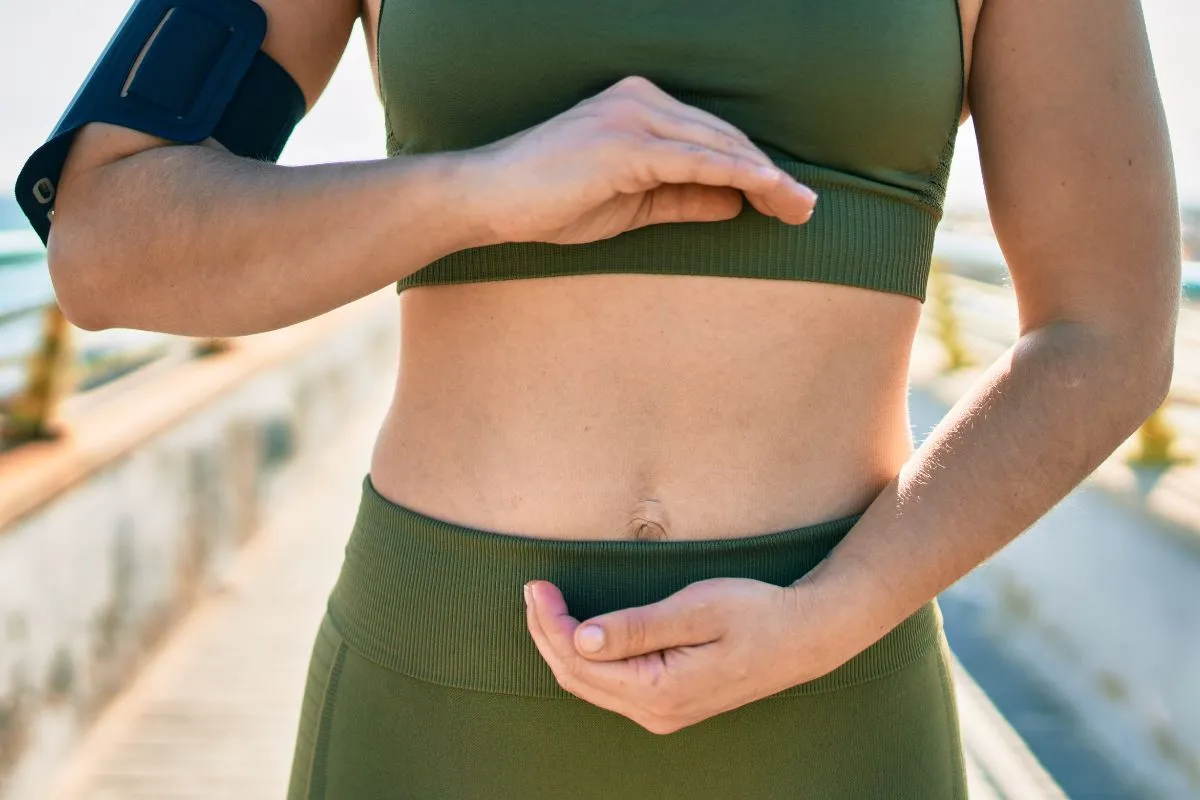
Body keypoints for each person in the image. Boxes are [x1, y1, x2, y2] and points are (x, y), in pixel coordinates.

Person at [42, 0, 1179, 797]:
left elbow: (1108, 326)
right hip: (438, 695)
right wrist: (479, 190)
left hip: (835, 699)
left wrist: (833, 614)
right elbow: (108, 239)